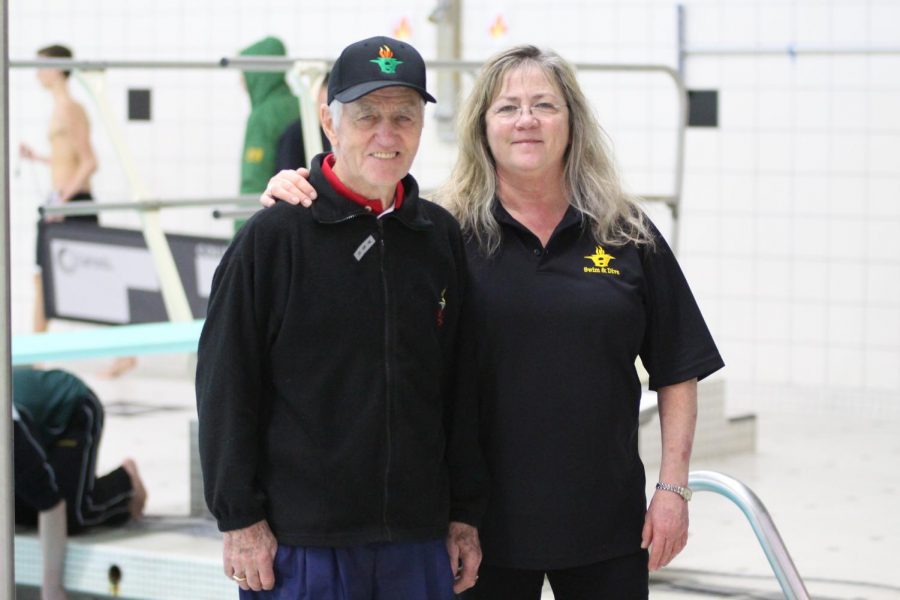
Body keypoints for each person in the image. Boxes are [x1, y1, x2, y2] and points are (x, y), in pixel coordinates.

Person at [260, 44, 725, 599]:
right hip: (478, 529)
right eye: (507, 107)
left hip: (604, 519)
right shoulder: (441, 232)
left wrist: (673, 488)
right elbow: (360, 250)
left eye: (545, 105)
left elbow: (678, 366)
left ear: (572, 121)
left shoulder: (625, 231)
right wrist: (300, 192)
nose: (526, 120)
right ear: (482, 127)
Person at [196, 36, 484, 599]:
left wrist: (464, 512)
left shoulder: (437, 237)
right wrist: (239, 517)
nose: (386, 133)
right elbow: (225, 382)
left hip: (417, 538)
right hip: (301, 543)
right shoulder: (274, 238)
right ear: (329, 119)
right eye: (367, 115)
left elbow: (459, 386)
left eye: (404, 116)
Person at [21, 44, 136, 379]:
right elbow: (66, 158)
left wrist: (63, 200)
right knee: (42, 279)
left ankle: (124, 352)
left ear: (58, 69)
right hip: (61, 202)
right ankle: (33, 358)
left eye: (41, 66)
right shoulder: (59, 107)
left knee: (91, 283)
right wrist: (39, 159)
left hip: (70, 205)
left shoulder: (70, 108)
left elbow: (89, 162)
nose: (36, 73)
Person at [12, 366, 148, 600]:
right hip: (37, 421)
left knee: (73, 516)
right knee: (18, 512)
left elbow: (52, 506)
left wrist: (51, 587)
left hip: (73, 410)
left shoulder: (12, 436)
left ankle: (126, 482)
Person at [235, 36, 304, 232]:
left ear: (257, 74)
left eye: (244, 74)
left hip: (270, 220)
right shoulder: (301, 105)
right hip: (302, 214)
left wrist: (241, 234)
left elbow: (254, 179)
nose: (241, 82)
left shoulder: (263, 116)